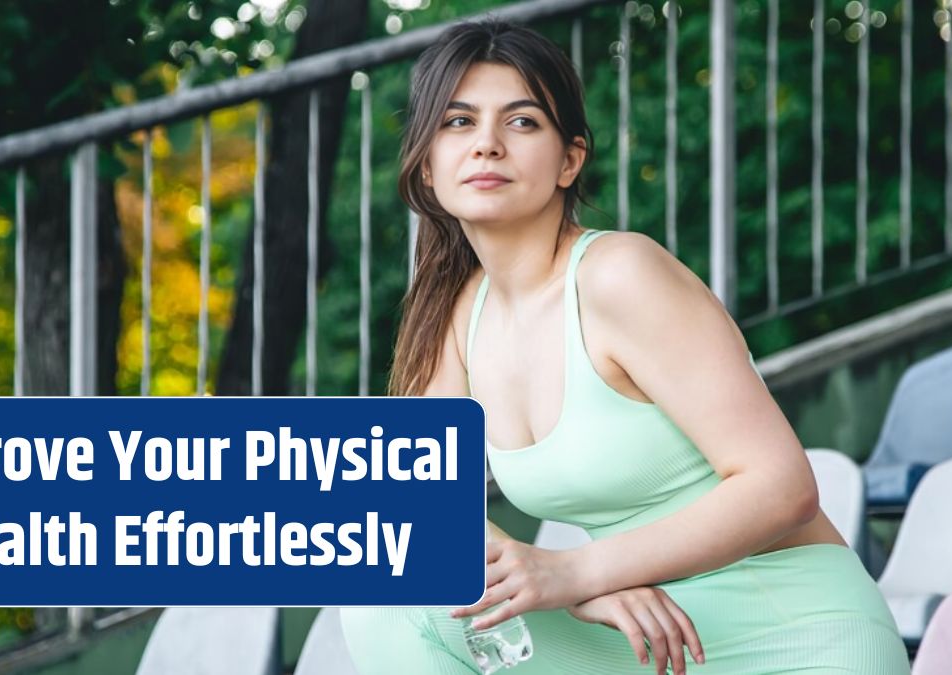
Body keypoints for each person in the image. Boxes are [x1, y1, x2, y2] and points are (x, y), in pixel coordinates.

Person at [340, 18, 910, 675]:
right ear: (427, 165)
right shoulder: (457, 317)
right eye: (458, 122)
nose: (487, 145)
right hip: (644, 636)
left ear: (569, 160)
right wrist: (583, 582)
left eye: (522, 122)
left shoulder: (618, 275)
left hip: (791, 633)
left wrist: (577, 570)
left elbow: (783, 485)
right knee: (388, 586)